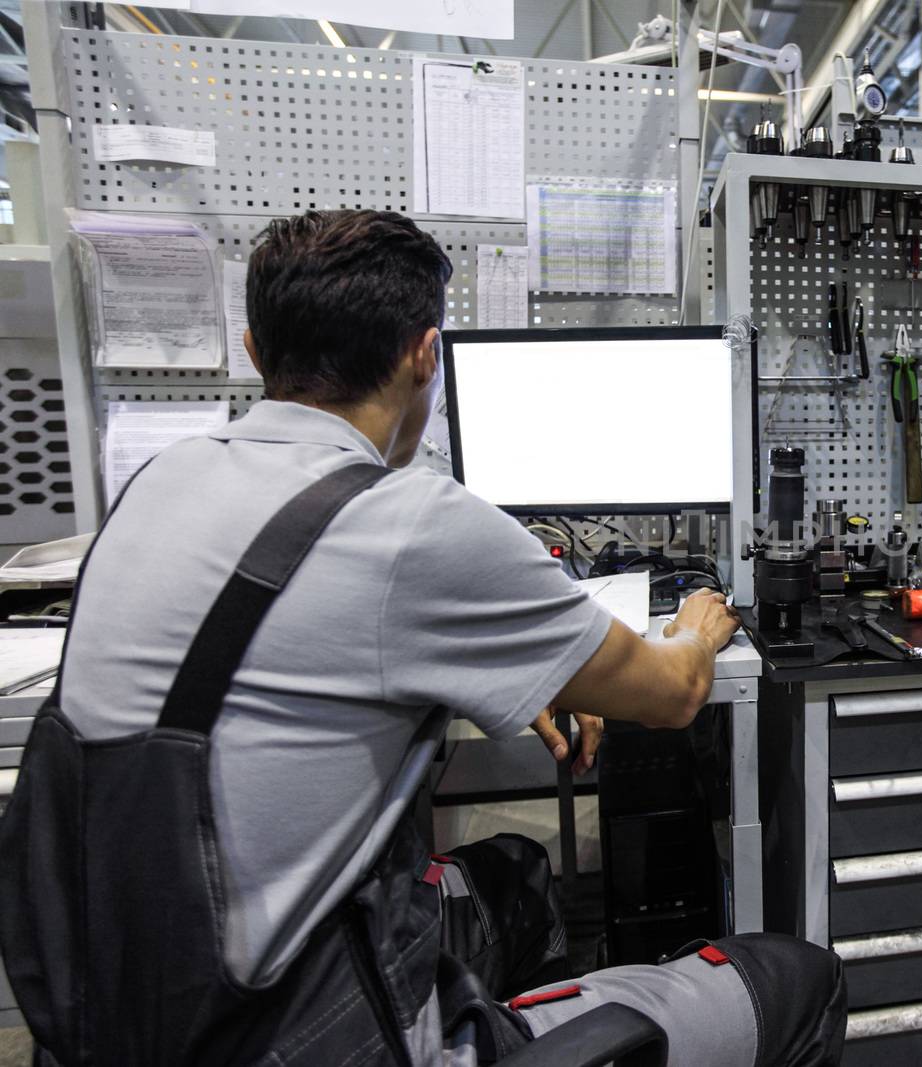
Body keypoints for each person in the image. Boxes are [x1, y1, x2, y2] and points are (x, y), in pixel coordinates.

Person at [0, 209, 845, 1066]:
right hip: (312, 1040)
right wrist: (697, 627)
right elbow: (675, 695)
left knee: (520, 875)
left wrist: (531, 662)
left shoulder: (160, 482)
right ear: (424, 358)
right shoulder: (410, 524)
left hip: (130, 1017)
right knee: (798, 979)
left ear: (256, 351)